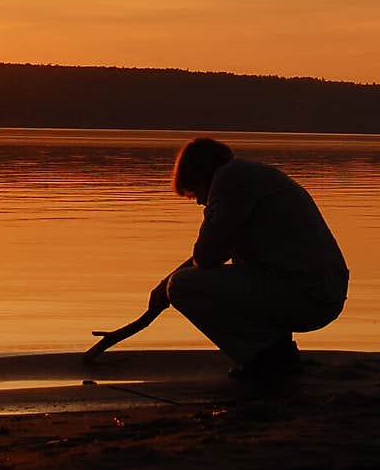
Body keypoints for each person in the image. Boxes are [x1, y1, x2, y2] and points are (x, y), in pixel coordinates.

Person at [148, 137, 349, 381]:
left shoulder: (228, 181)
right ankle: (276, 351)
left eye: (195, 194)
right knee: (239, 266)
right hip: (320, 291)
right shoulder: (251, 178)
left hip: (309, 296)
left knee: (182, 287)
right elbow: (219, 256)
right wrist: (164, 283)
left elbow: (206, 257)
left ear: (201, 176)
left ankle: (267, 359)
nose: (200, 201)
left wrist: (169, 285)